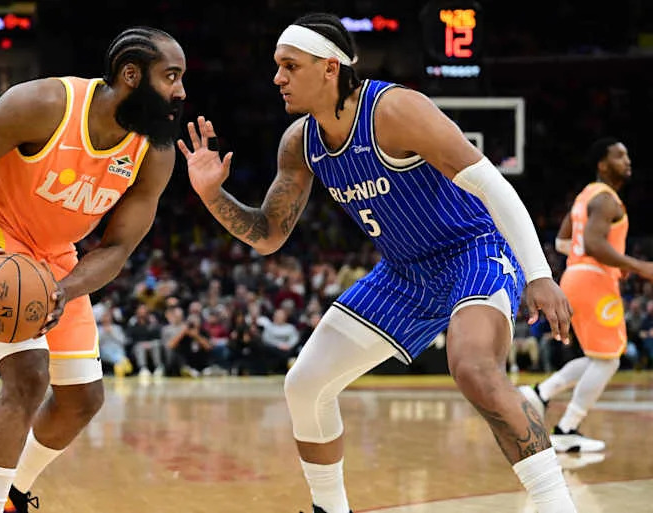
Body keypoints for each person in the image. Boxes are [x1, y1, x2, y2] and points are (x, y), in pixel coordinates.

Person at [178, 13, 576, 513]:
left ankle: (558, 504)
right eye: (277, 66)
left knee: (473, 369)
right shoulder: (299, 142)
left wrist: (539, 274)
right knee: (305, 384)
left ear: (328, 68)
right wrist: (213, 195)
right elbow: (268, 236)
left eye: (289, 66)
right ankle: (330, 508)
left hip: (471, 252)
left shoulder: (395, 109)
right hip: (404, 272)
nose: (277, 78)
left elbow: (493, 184)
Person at [0, 26, 186, 513]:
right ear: (130, 75)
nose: (180, 91)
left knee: (82, 399)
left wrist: (63, 288)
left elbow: (117, 248)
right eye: (171, 76)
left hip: (54, 254)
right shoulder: (46, 103)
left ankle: (10, 493)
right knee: (29, 376)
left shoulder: (155, 152)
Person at [520, 138, 653, 452]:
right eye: (619, 156)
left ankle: (539, 394)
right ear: (602, 164)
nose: (627, 160)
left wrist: (589, 259)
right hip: (594, 281)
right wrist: (639, 266)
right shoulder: (607, 200)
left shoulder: (585, 197)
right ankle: (568, 427)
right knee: (608, 361)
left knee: (597, 358)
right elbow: (593, 244)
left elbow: (565, 241)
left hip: (574, 276)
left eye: (627, 155)